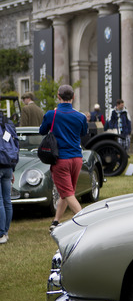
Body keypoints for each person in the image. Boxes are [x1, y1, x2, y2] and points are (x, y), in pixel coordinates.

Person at [39, 85, 88, 231]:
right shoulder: (81, 116)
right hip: (77, 158)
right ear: (73, 97)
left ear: (58, 97)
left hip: (61, 159)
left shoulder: (51, 114)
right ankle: (55, 221)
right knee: (67, 192)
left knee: (67, 193)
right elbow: (84, 132)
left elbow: (42, 131)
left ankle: (85, 223)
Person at [0, 110, 19, 244]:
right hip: (8, 165)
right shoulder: (8, 123)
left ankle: (1, 233)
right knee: (7, 200)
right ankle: (5, 231)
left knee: (0, 200)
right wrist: (12, 168)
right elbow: (15, 145)